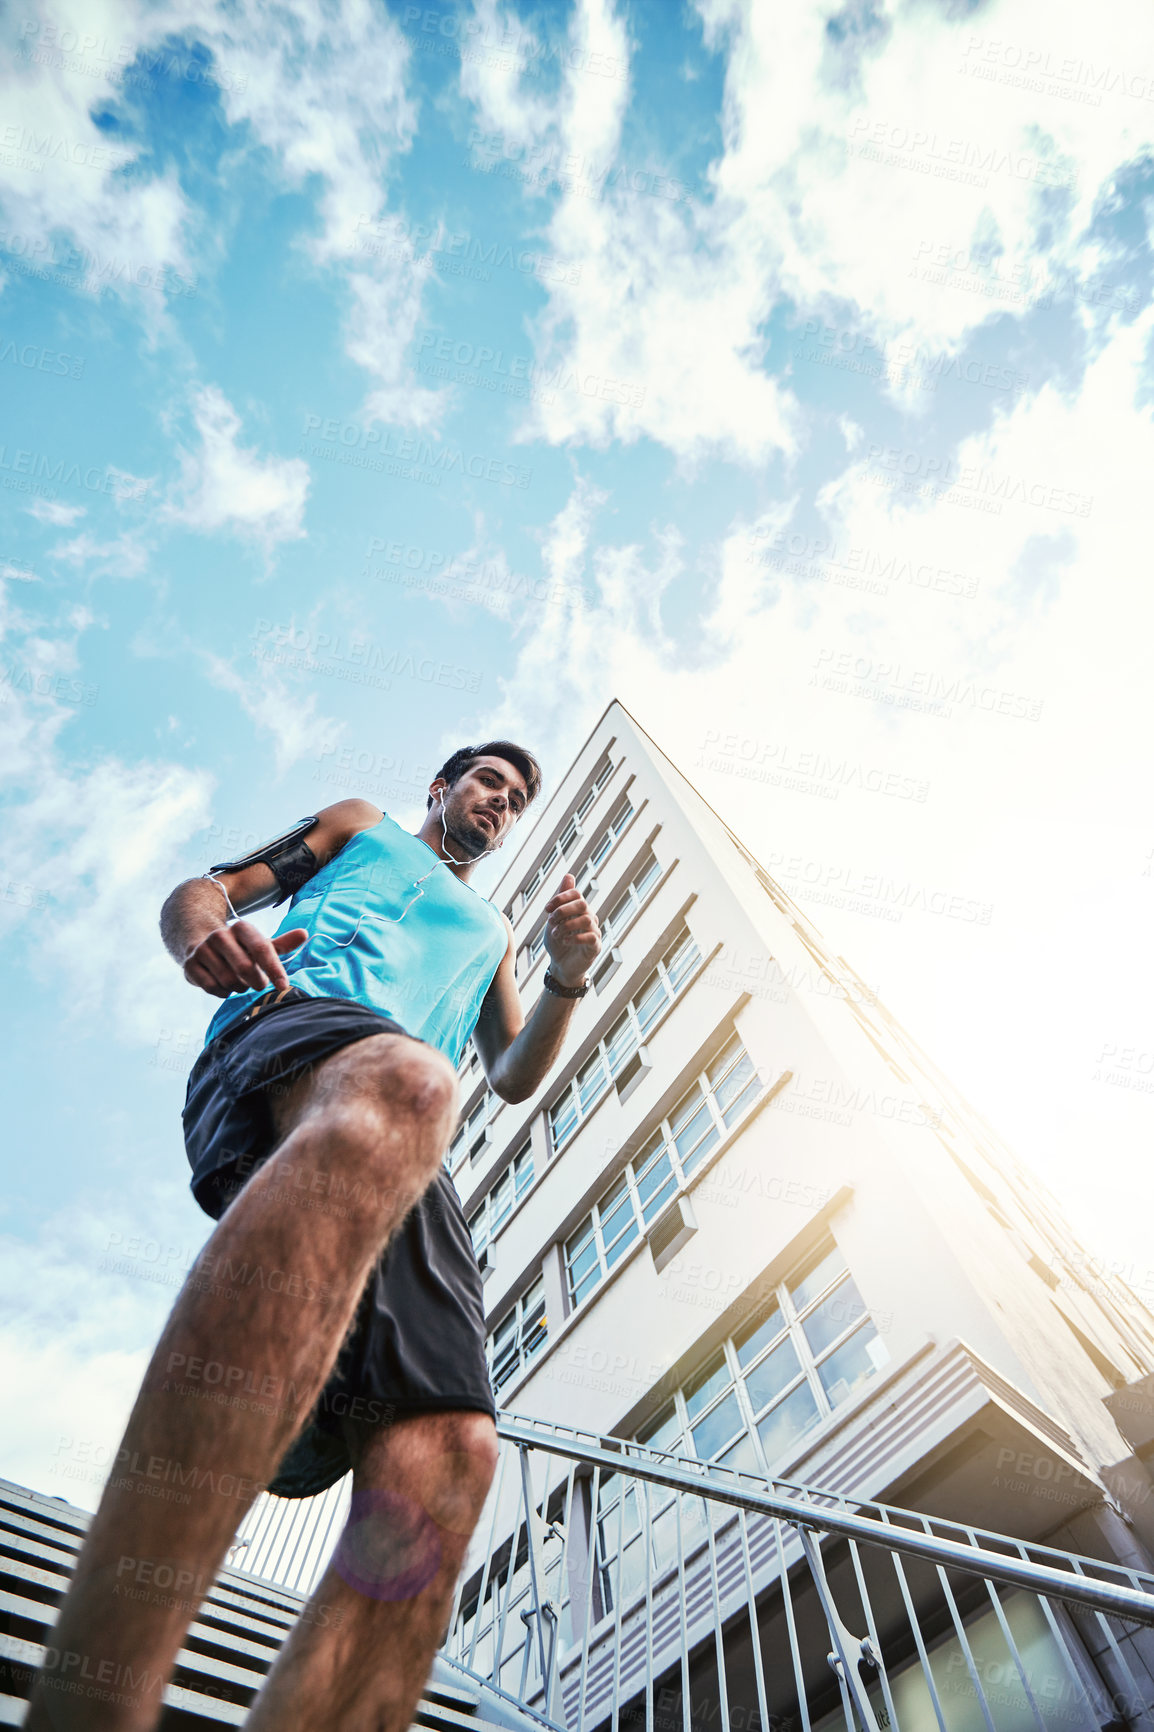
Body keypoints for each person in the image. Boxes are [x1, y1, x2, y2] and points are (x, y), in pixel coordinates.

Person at [26, 739, 601, 1732]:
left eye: (512, 802)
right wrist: (199, 937)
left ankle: (317, 1398)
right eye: (486, 784)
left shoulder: (491, 933)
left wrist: (566, 977)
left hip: (402, 1122)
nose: (497, 805)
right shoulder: (360, 827)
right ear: (442, 786)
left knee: (452, 1448)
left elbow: (508, 1072)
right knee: (413, 1079)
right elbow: (209, 889)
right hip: (286, 1030)